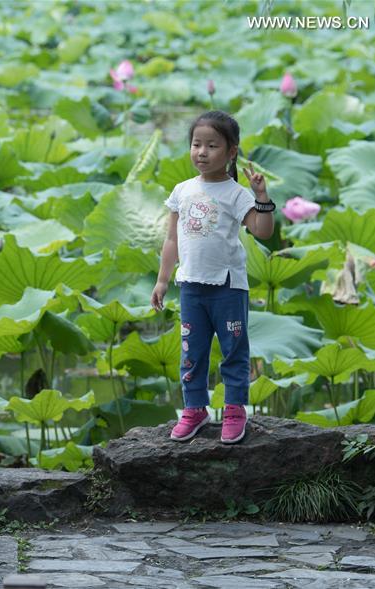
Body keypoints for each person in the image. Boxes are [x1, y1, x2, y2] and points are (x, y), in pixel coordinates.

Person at [150, 110, 275, 444]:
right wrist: (163, 280)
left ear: (231, 151)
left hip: (228, 287)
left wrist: (262, 197)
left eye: (212, 146)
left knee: (234, 350)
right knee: (192, 351)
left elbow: (262, 231)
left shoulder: (236, 194)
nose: (202, 152)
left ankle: (234, 409)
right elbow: (172, 240)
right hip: (191, 285)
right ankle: (195, 408)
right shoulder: (181, 190)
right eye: (196, 144)